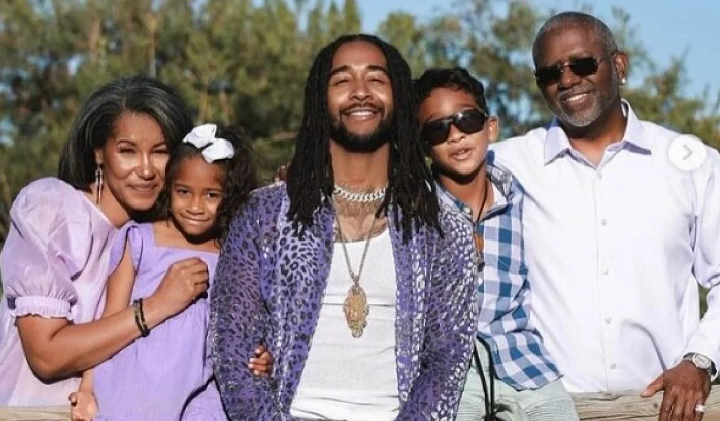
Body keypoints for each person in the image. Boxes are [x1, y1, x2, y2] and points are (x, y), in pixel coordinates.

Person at [209, 34, 478, 421]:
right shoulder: (264, 215)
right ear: (320, 98)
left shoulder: (440, 226)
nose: (360, 92)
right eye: (342, 80)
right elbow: (233, 346)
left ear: (399, 96)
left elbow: (446, 361)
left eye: (376, 78)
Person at [491, 11, 720, 421]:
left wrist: (700, 361)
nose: (567, 80)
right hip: (550, 411)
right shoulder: (505, 167)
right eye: (550, 73)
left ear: (619, 66)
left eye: (582, 64)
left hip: (662, 410)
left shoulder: (692, 167)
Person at [0, 75, 202, 406]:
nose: (146, 170)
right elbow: (46, 355)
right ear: (99, 153)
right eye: (127, 151)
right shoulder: (54, 210)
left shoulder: (158, 238)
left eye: (161, 152)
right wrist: (154, 307)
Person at [414, 67, 579, 420]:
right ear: (424, 146)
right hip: (451, 372)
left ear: (490, 127)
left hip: (524, 362)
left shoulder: (517, 193)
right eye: (438, 129)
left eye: (467, 120)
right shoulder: (416, 210)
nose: (456, 135)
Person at [66, 123, 262, 420]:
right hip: (131, 391)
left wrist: (261, 357)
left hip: (203, 396)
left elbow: (246, 326)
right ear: (169, 187)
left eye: (211, 195)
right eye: (184, 191)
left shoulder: (234, 252)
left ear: (230, 196)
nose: (195, 206)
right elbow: (110, 318)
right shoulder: (140, 239)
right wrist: (87, 388)